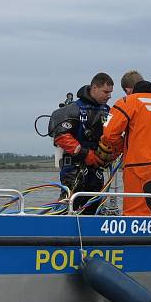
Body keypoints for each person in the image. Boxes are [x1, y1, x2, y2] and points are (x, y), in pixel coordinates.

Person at [101, 80, 151, 217]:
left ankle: (135, 238)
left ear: (131, 90)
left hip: (137, 168)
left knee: (136, 214)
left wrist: (122, 148)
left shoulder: (127, 102)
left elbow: (109, 134)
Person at [48, 72, 113, 213]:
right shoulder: (72, 109)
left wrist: (110, 154)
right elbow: (61, 136)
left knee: (94, 207)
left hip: (97, 170)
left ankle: (92, 232)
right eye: (106, 92)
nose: (109, 96)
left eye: (111, 93)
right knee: (69, 207)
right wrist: (85, 154)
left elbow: (114, 137)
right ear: (94, 88)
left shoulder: (108, 112)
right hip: (74, 170)